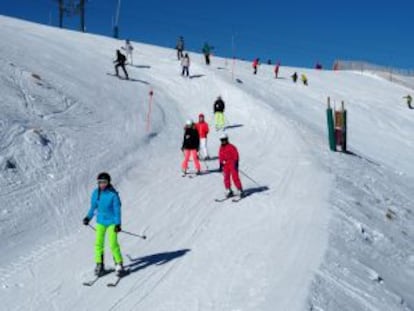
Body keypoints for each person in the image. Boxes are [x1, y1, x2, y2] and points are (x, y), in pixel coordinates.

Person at [82, 172, 126, 277]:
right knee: (98, 244)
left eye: (104, 182)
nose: (102, 184)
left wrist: (118, 224)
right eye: (100, 182)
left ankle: (119, 264)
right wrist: (88, 217)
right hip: (100, 222)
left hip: (111, 223)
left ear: (108, 182)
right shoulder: (96, 193)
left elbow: (117, 210)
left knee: (113, 243)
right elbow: (93, 208)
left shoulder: (113, 195)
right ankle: (99, 265)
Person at [218, 133, 243, 198]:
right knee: (226, 177)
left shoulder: (231, 146)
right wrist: (221, 164)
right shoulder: (221, 148)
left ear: (227, 139)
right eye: (222, 140)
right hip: (225, 164)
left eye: (224, 140)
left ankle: (240, 189)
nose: (223, 141)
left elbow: (236, 155)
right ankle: (228, 190)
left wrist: (236, 163)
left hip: (232, 163)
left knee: (235, 177)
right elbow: (220, 156)